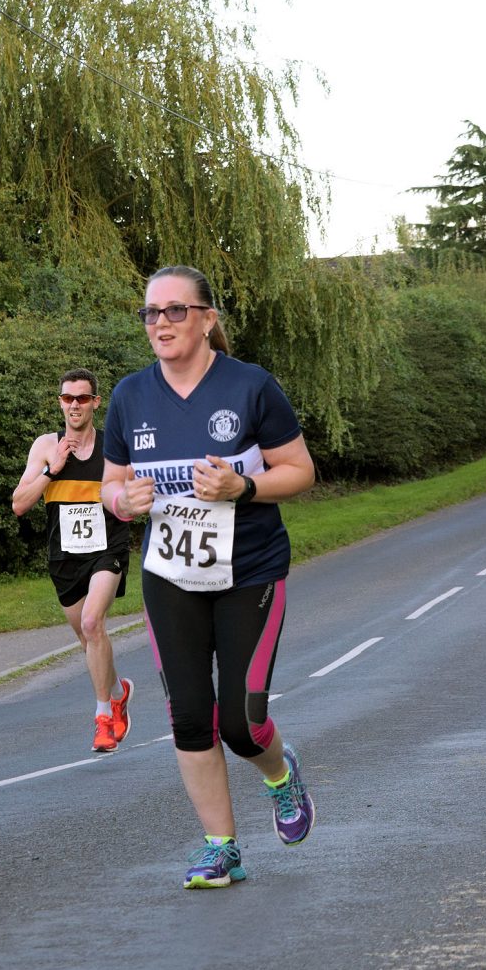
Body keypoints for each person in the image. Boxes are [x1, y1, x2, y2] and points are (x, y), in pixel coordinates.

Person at [101, 264, 316, 889]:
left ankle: (280, 775)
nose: (161, 323)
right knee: (190, 717)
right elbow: (111, 483)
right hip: (170, 574)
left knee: (241, 724)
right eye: (150, 313)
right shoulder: (130, 396)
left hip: (249, 570)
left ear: (207, 319)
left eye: (175, 310)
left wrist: (242, 486)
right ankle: (221, 846)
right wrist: (122, 502)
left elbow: (299, 470)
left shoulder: (250, 387)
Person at [12, 368, 133, 753]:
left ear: (96, 402)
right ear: (60, 402)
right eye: (68, 398)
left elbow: (130, 501)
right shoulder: (46, 446)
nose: (75, 405)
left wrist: (120, 500)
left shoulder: (113, 446)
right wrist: (53, 471)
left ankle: (102, 719)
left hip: (106, 549)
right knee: (88, 637)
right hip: (64, 557)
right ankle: (117, 692)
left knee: (92, 622)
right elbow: (18, 505)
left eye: (83, 398)